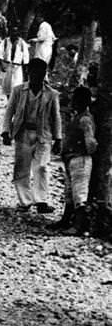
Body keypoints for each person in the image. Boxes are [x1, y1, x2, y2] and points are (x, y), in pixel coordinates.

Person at [3, 61, 60, 214]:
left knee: (41, 167)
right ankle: (25, 201)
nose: (36, 77)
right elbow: (9, 112)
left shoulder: (51, 94)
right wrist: (5, 131)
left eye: (40, 74)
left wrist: (58, 138)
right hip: (23, 133)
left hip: (43, 135)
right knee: (21, 168)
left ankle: (41, 200)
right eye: (33, 73)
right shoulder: (19, 91)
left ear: (44, 74)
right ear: (28, 73)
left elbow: (56, 117)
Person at [52, 86, 97, 234]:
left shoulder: (85, 119)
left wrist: (85, 151)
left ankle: (79, 225)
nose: (74, 102)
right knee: (70, 191)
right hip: (71, 158)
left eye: (77, 99)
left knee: (79, 192)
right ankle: (66, 220)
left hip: (80, 158)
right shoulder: (77, 117)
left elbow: (90, 142)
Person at [0, 29, 30, 98]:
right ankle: (9, 100)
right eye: (13, 32)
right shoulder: (5, 41)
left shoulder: (22, 43)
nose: (14, 34)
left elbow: (26, 56)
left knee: (16, 84)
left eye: (16, 33)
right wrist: (1, 63)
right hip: (7, 65)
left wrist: (25, 67)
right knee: (7, 85)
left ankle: (14, 101)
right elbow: (0, 53)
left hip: (17, 67)